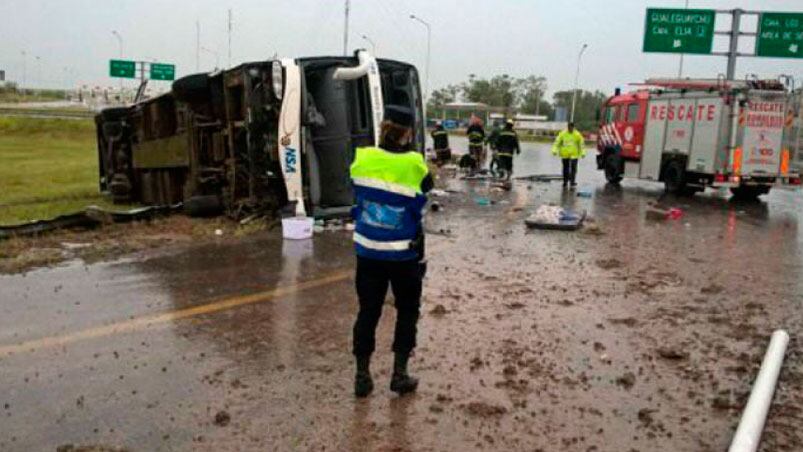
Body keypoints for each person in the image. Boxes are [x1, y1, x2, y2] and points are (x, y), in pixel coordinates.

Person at [350, 105, 433, 398]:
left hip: (368, 251)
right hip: (403, 254)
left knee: (367, 311)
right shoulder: (415, 164)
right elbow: (426, 189)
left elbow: (357, 193)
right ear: (408, 133)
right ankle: (399, 374)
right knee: (407, 311)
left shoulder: (362, 158)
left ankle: (362, 376)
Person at [552, 122, 586, 188]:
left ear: (573, 127)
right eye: (569, 127)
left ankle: (572, 182)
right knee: (565, 169)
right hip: (565, 154)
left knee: (573, 169)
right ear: (567, 127)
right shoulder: (563, 134)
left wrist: (583, 152)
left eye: (571, 128)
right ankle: (565, 181)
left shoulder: (577, 134)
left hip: (574, 155)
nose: (570, 129)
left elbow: (581, 144)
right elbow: (557, 142)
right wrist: (554, 150)